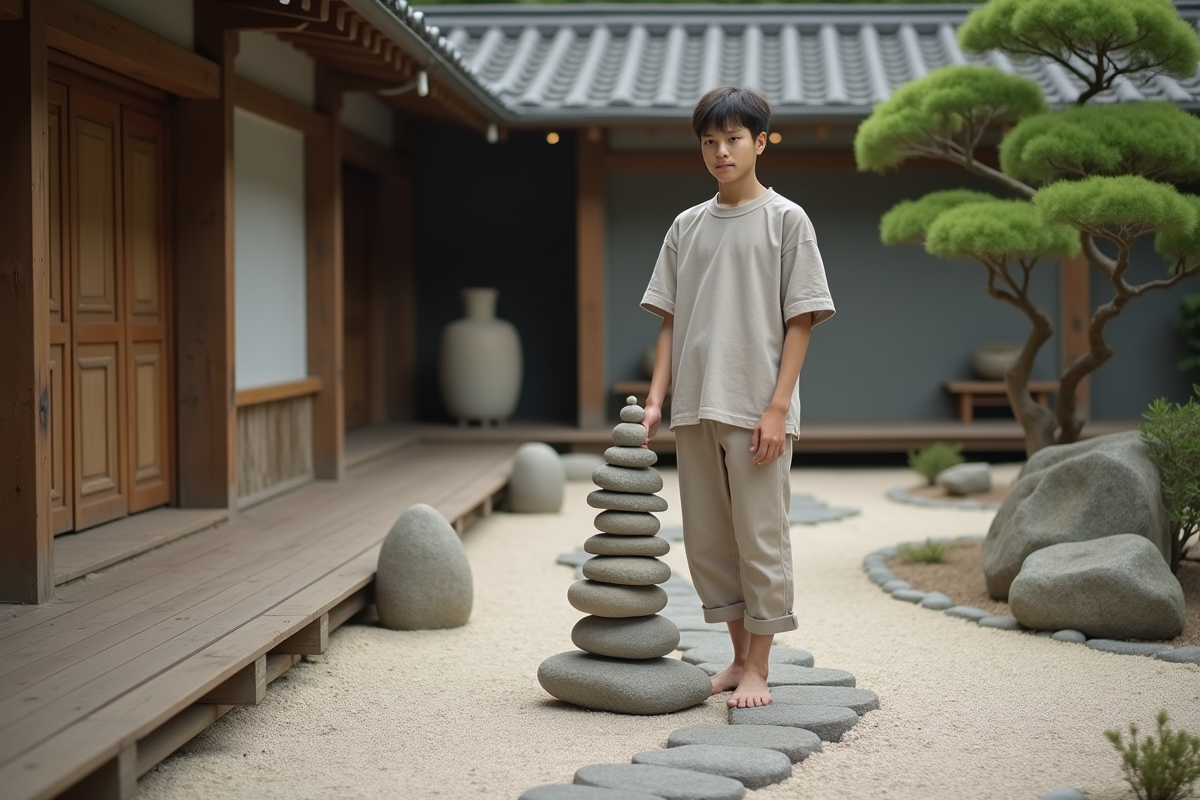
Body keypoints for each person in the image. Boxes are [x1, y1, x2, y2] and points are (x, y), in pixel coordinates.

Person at [639, 85, 836, 708]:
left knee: (761, 539)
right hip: (693, 406)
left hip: (757, 408)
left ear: (760, 142)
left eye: (733, 139)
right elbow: (669, 320)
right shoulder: (686, 226)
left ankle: (760, 668)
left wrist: (777, 408)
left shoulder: (787, 220)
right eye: (710, 141)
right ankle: (736, 657)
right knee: (708, 543)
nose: (721, 151)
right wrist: (655, 399)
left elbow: (801, 320)